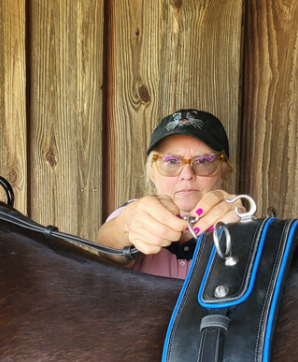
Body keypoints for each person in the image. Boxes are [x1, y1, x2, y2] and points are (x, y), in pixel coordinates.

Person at [97, 109, 242, 279]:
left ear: (224, 171)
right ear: (152, 172)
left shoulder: (239, 218)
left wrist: (246, 234)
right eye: (171, 161)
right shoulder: (136, 213)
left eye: (203, 161)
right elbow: (108, 250)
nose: (187, 174)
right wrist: (127, 222)